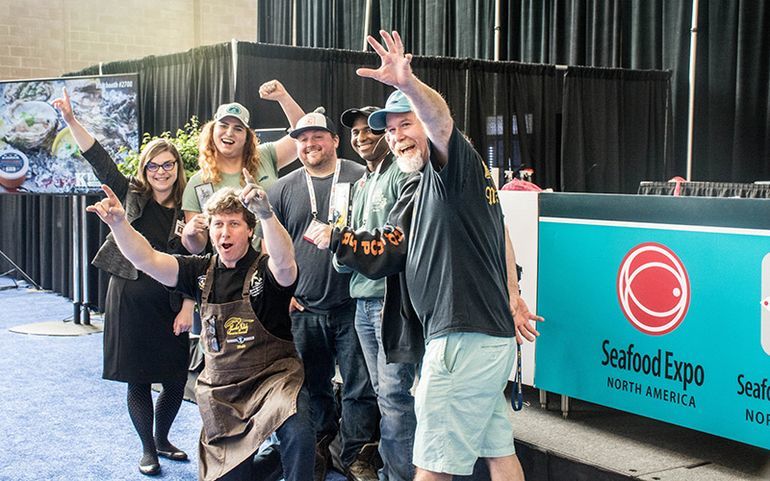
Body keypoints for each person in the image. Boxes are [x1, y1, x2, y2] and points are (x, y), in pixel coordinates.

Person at [354, 31, 543, 481]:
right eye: (392, 130)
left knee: (433, 467)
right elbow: (500, 233)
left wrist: (408, 85)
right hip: (480, 338)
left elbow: (439, 120)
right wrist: (513, 295)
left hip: (462, 342)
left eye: (407, 124)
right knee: (498, 453)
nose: (398, 137)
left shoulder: (451, 166)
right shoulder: (446, 185)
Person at [85, 176, 316, 481]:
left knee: (299, 433)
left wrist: (266, 214)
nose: (225, 232)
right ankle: (269, 461)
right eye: (218, 225)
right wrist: (119, 225)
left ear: (249, 230)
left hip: (274, 381)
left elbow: (285, 263)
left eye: (234, 224)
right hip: (223, 392)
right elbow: (146, 258)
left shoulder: (266, 270)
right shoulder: (199, 271)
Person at [52, 88, 194, 476]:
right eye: (153, 166)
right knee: (138, 379)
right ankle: (147, 448)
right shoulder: (129, 193)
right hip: (129, 300)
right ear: (145, 170)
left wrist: (188, 304)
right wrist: (70, 120)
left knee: (176, 380)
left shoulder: (191, 203)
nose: (161, 172)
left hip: (171, 304)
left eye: (167, 165)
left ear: (178, 168)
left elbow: (199, 259)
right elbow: (98, 158)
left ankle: (163, 438)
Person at [267, 110, 379, 481]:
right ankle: (318, 446)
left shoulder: (361, 177)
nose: (310, 144)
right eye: (302, 139)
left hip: (354, 305)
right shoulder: (281, 188)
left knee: (359, 386)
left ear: (334, 140)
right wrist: (281, 293)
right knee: (312, 386)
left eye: (318, 137)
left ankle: (356, 456)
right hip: (303, 307)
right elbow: (270, 248)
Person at [311, 105, 416, 481]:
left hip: (392, 303)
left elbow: (394, 247)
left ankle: (400, 476)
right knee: (383, 396)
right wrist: (342, 249)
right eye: (355, 133)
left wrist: (345, 246)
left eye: (369, 131)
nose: (361, 138)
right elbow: (345, 255)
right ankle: (393, 470)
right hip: (361, 301)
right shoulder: (358, 186)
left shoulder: (402, 175)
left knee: (394, 398)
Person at [182, 79, 304, 255]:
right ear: (212, 131)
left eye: (238, 128)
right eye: (223, 126)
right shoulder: (198, 183)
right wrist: (190, 233)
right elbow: (196, 247)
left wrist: (283, 98)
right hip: (229, 270)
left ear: (247, 137)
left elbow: (303, 134)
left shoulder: (265, 156)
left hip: (275, 262)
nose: (229, 132)